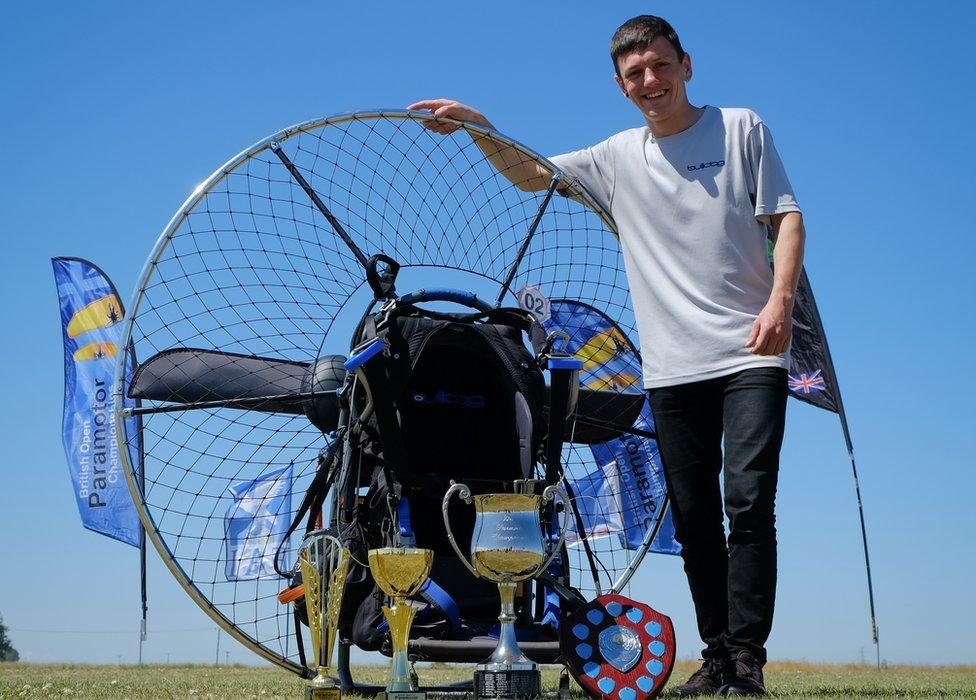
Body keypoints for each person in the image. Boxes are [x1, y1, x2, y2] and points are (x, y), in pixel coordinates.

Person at [409, 14, 804, 697]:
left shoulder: (742, 128)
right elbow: (531, 174)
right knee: (692, 514)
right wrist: (479, 125)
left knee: (747, 500)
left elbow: (787, 219)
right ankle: (715, 657)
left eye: (659, 65)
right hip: (673, 368)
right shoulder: (618, 157)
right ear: (622, 88)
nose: (650, 81)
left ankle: (747, 659)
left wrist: (780, 301)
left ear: (685, 64)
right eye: (635, 74)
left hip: (750, 353)